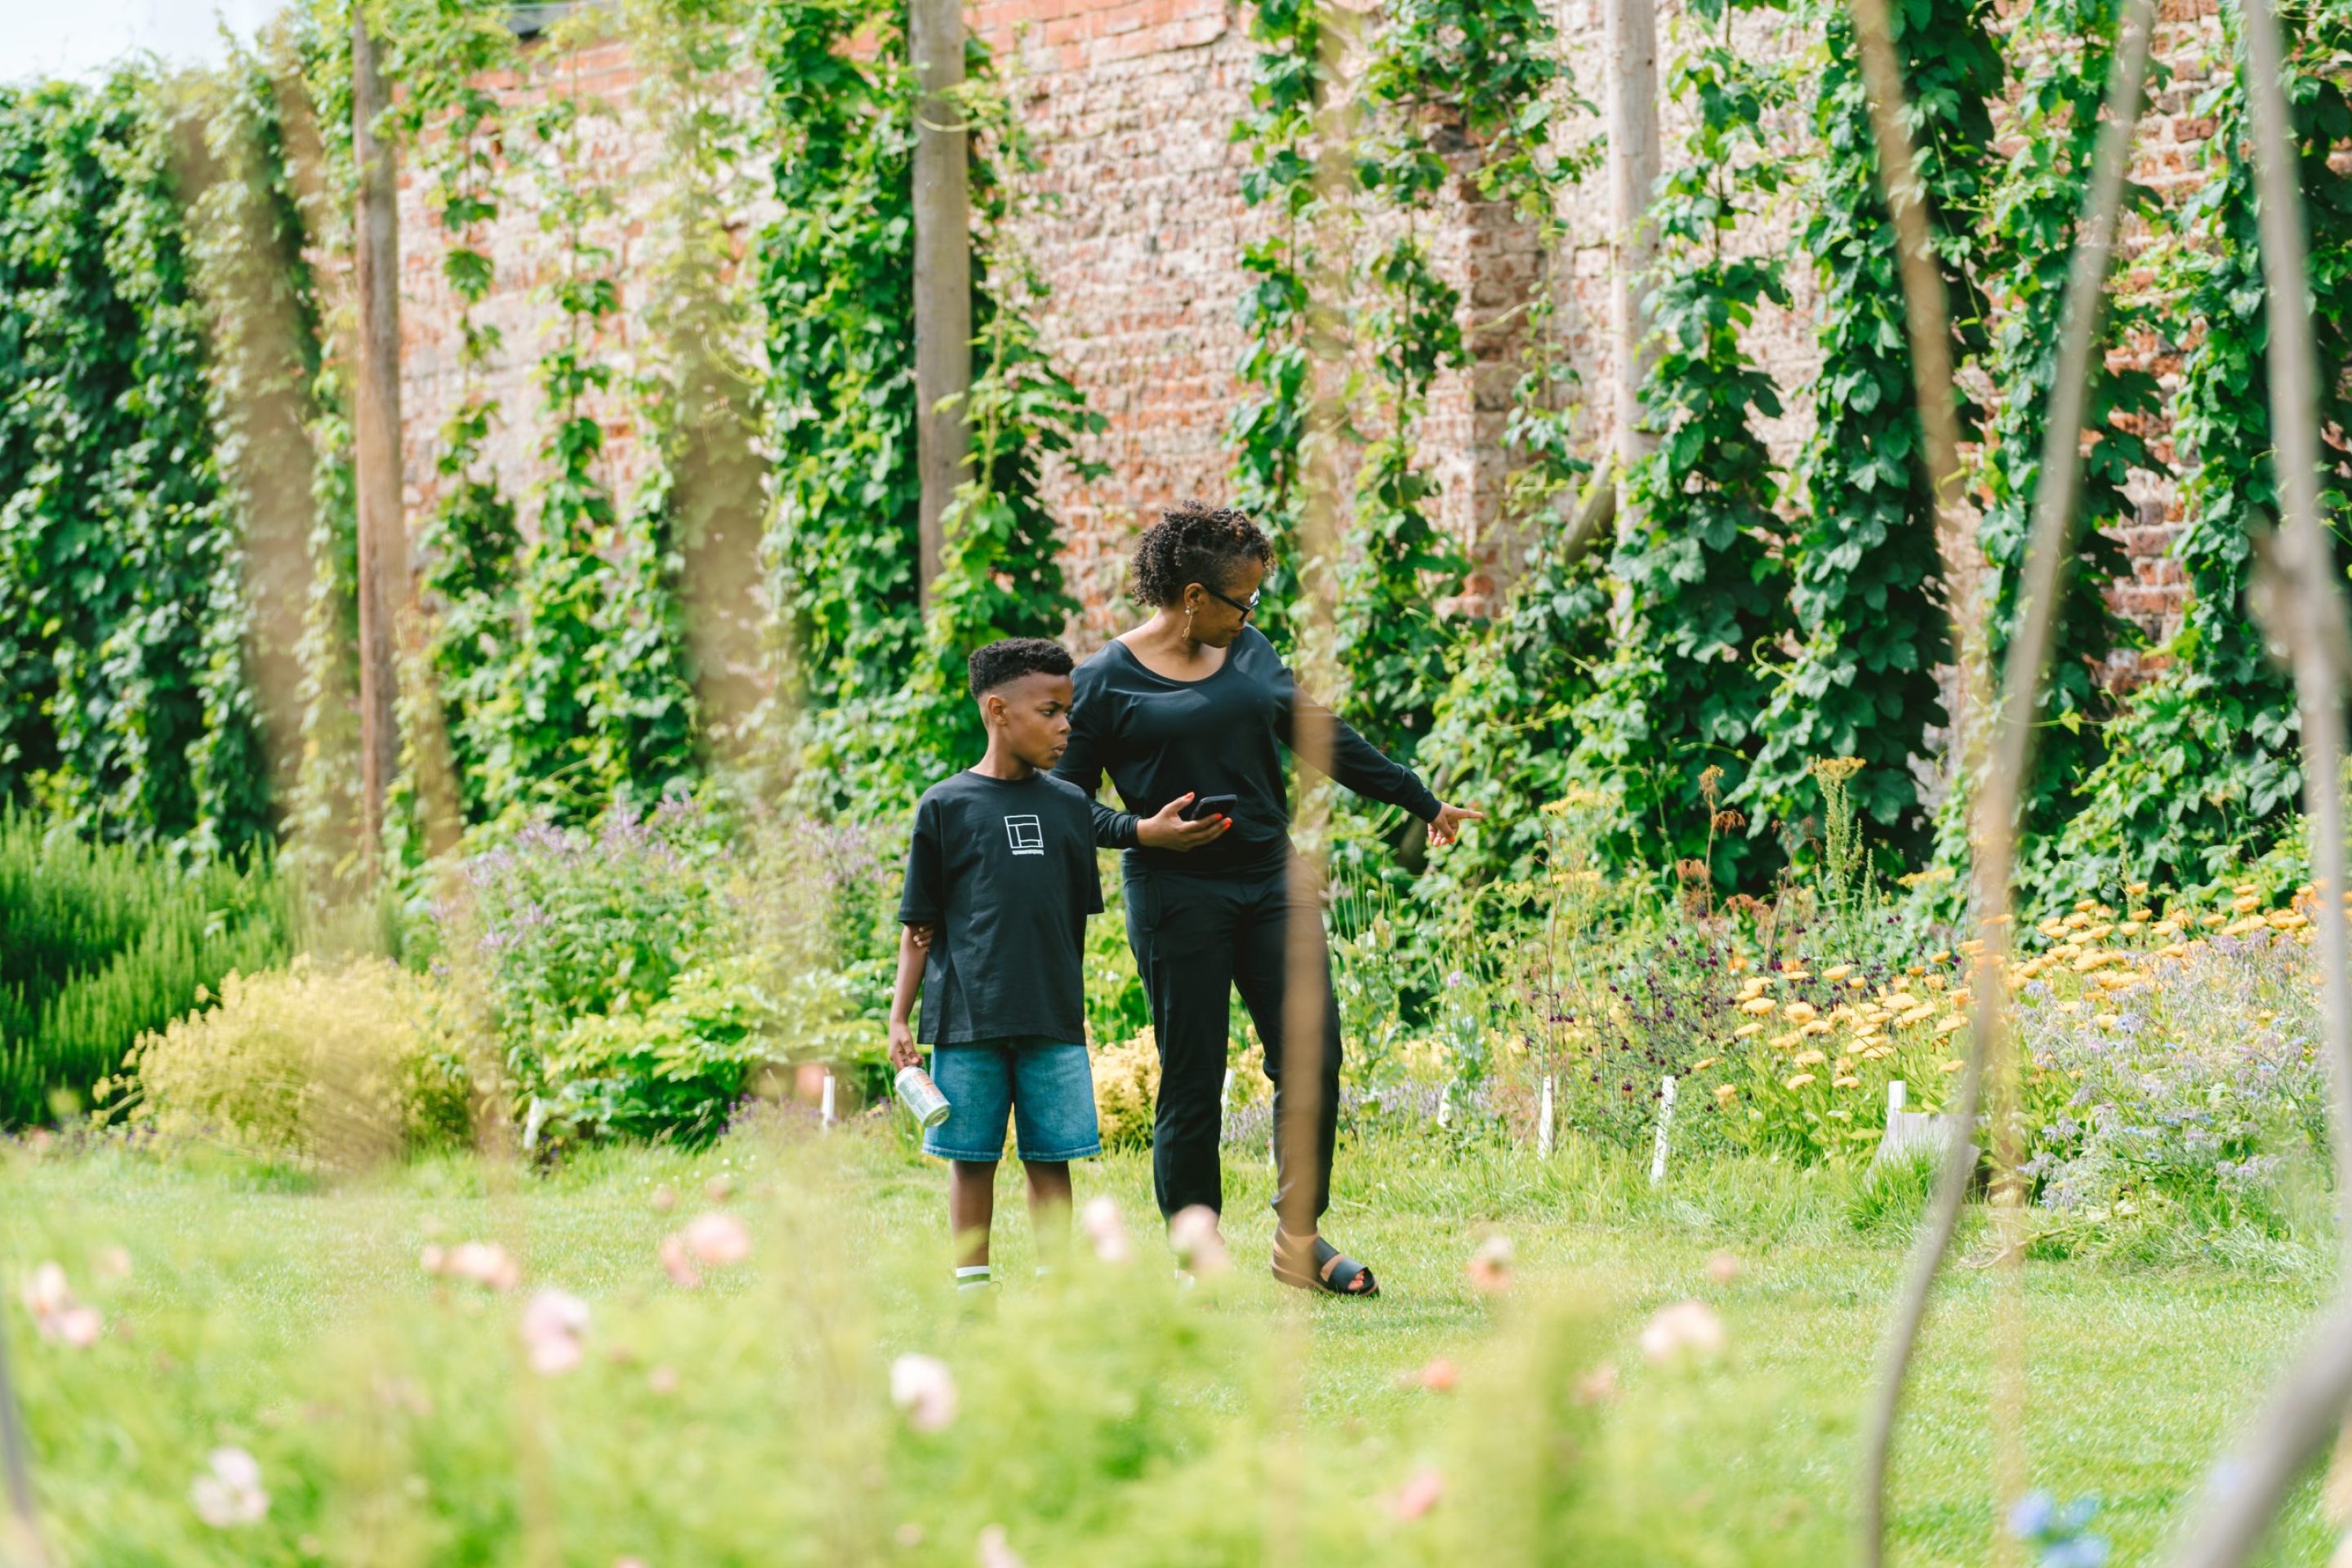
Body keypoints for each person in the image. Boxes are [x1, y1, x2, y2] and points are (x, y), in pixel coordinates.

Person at [1054, 501, 1482, 1297]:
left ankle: (1298, 1238)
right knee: (1192, 1073)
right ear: (1190, 596)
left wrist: (1420, 799)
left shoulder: (1247, 651)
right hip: (1176, 894)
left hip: (1271, 881)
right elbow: (1063, 801)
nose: (1251, 615)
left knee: (1314, 1058)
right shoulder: (1104, 682)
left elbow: (1320, 732)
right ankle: (1199, 1249)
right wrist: (1139, 831)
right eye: (1239, 600)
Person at [889, 638, 1105, 1294]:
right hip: (967, 1019)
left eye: (1068, 711)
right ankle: (972, 1292)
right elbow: (920, 927)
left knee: (1052, 1158)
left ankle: (1055, 1290)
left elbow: (1071, 919)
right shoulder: (945, 807)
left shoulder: (1070, 806)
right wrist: (900, 1018)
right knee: (971, 1159)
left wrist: (1070, 1005)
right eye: (1050, 711)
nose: (1066, 725)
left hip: (1052, 1019)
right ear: (997, 710)